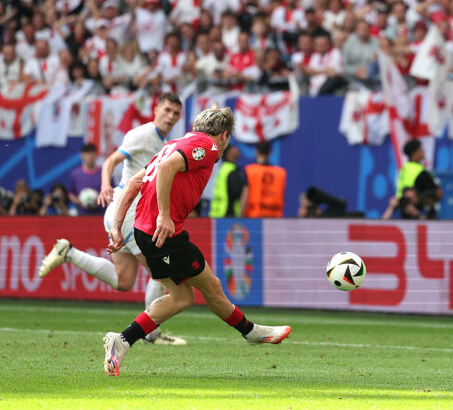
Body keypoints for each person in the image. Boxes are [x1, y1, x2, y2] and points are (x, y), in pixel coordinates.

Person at [102, 107, 291, 376]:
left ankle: (121, 341)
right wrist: (164, 216)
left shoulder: (173, 144)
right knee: (210, 286)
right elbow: (166, 168)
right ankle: (251, 332)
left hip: (146, 233)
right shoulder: (208, 146)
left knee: (182, 297)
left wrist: (118, 227)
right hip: (164, 234)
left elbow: (133, 183)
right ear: (224, 135)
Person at [39, 93, 185, 345]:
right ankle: (151, 333)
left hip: (125, 213)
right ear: (156, 108)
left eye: (175, 113)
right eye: (167, 110)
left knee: (124, 280)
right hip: (127, 213)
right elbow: (112, 160)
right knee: (161, 273)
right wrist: (105, 183)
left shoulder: (163, 143)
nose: (170, 117)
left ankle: (68, 252)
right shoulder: (143, 134)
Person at [382, 139, 441, 219]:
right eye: (421, 149)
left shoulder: (404, 169)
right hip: (418, 211)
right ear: (414, 153)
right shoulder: (421, 172)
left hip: (404, 210)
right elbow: (438, 193)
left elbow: (400, 193)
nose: (423, 152)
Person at [240, 141, 286, 218]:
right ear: (270, 152)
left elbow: (244, 197)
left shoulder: (250, 171)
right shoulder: (280, 173)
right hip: (275, 219)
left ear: (256, 151)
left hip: (254, 217)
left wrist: (241, 217)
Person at [209, 144, 244, 218]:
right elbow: (236, 193)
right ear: (229, 154)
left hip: (216, 213)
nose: (237, 151)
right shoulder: (232, 170)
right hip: (227, 212)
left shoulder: (222, 169)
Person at [67, 143, 103, 215]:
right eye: (87, 153)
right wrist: (78, 201)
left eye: (92, 153)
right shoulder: (75, 174)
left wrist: (100, 199)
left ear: (96, 155)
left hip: (100, 215)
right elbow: (70, 193)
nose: (89, 156)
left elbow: (112, 191)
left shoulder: (104, 173)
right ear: (82, 155)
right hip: (81, 215)